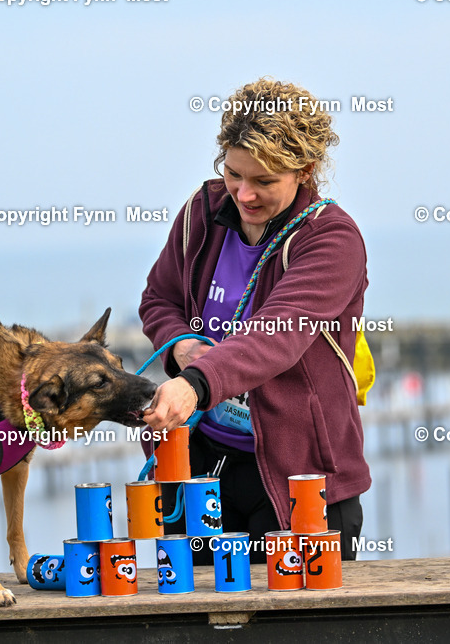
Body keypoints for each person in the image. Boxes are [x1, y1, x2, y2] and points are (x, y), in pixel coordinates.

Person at [139, 77, 370, 563]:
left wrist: (195, 384)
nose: (243, 194)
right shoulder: (201, 210)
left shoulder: (332, 240)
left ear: (304, 170)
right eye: (233, 174)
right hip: (202, 467)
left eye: (264, 181)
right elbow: (159, 298)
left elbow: (276, 336)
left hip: (300, 479)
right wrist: (181, 346)